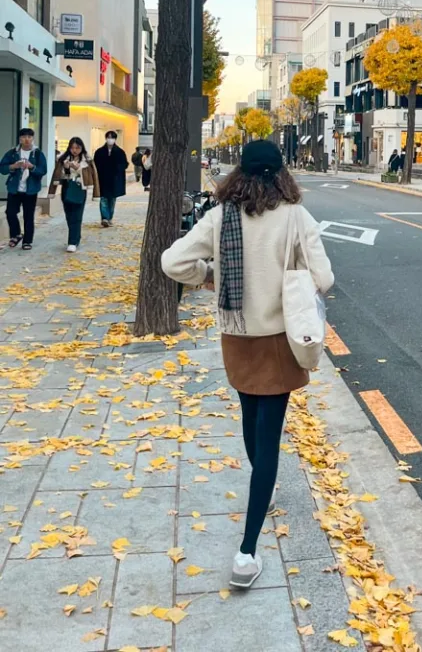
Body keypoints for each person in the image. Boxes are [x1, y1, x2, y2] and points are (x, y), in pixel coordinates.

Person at [160, 140, 333, 590]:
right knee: (269, 441)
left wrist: (210, 276)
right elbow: (326, 278)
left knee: (249, 417)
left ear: (240, 173)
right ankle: (246, 551)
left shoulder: (220, 217)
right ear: (280, 173)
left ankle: (263, 493)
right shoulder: (296, 216)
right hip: (280, 339)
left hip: (236, 337)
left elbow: (172, 261)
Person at [49, 137, 100, 252]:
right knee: (69, 215)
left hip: (80, 188)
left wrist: (79, 169)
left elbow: (93, 176)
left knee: (77, 215)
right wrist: (66, 169)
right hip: (67, 188)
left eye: (77, 148)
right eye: (72, 148)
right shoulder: (63, 159)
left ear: (82, 148)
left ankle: (72, 242)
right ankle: (76, 236)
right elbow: (58, 176)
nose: (75, 150)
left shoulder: (87, 160)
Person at [0, 128, 48, 250]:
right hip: (14, 188)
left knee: (28, 215)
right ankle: (16, 234)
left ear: (33, 138)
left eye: (29, 137)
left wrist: (32, 167)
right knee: (10, 212)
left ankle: (27, 241)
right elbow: (2, 168)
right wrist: (13, 166)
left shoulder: (37, 153)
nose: (27, 140)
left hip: (30, 190)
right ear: (20, 139)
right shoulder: (13, 153)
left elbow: (43, 170)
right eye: (24, 137)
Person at [93, 131, 129, 227]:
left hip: (114, 180)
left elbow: (125, 164)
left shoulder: (120, 152)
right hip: (103, 179)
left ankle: (109, 218)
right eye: (108, 137)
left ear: (115, 139)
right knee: (103, 198)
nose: (110, 139)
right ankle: (105, 218)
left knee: (112, 200)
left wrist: (117, 169)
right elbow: (95, 165)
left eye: (112, 137)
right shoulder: (99, 152)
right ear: (106, 138)